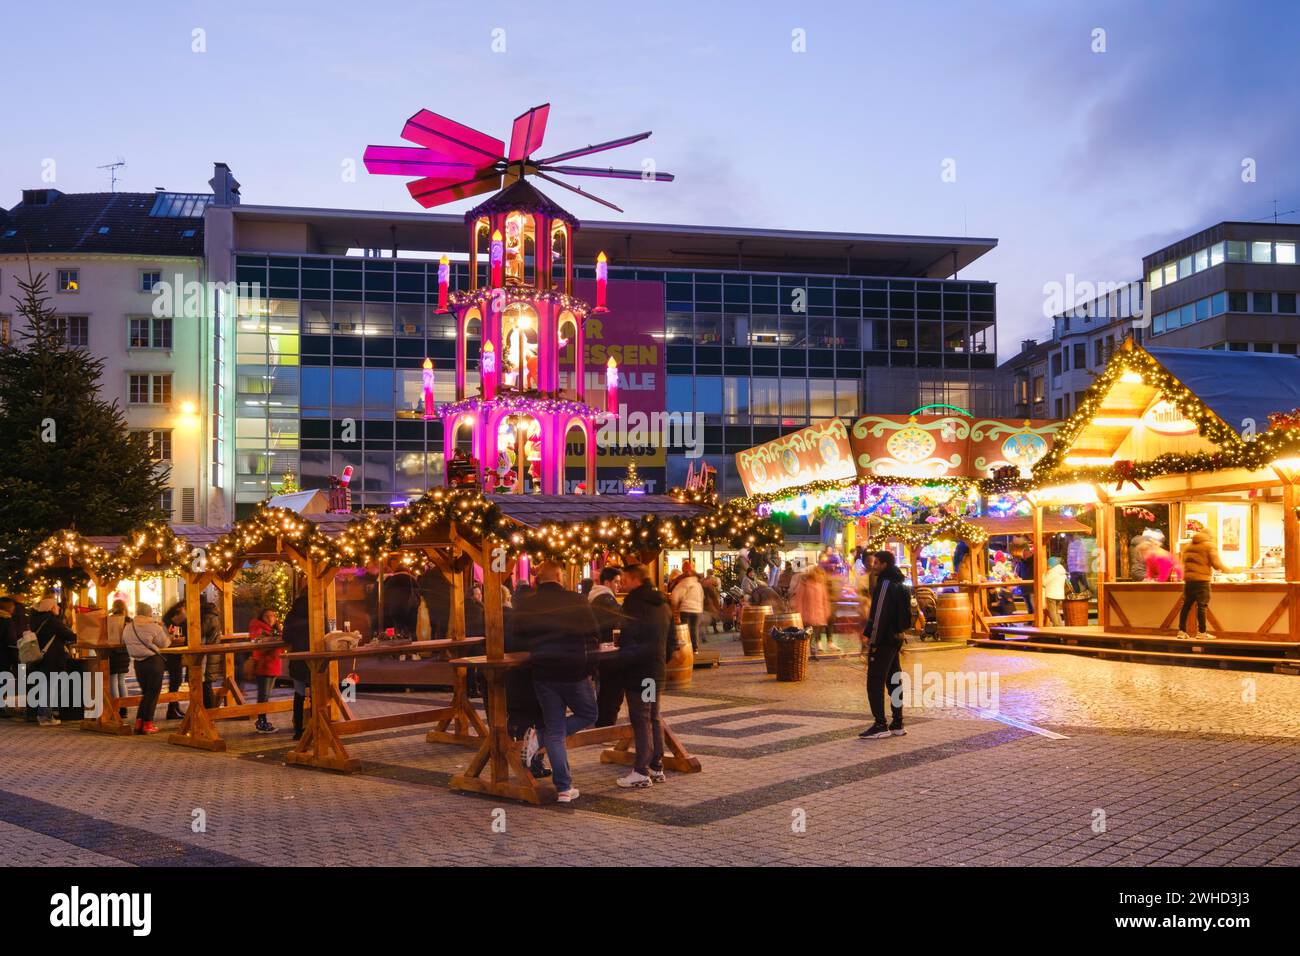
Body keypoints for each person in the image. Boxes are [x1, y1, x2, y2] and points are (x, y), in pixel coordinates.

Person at [511, 562, 599, 803]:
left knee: (556, 731)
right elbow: (593, 633)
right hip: (573, 670)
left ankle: (563, 789)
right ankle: (541, 740)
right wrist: (590, 667)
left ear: (539, 578)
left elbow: (517, 636)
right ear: (560, 576)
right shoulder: (576, 600)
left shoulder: (528, 604)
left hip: (543, 672)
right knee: (589, 713)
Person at [615, 564, 672, 789]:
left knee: (641, 719)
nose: (622, 583)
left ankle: (641, 770)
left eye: (625, 579)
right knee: (653, 717)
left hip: (640, 672)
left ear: (635, 579)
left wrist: (622, 662)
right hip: (655, 669)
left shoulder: (634, 604)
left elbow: (629, 639)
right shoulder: (662, 602)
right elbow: (672, 641)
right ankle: (656, 766)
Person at [859, 551, 911, 740]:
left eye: (876, 563)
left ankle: (880, 724)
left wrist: (872, 640)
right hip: (896, 638)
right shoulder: (901, 582)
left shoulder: (885, 584)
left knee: (874, 681)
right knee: (894, 680)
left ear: (885, 564)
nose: (873, 566)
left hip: (884, 640)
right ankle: (897, 722)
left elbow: (879, 614)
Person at [27, 597, 77, 726]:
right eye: (56, 606)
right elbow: (69, 635)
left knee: (46, 686)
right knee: (50, 687)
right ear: (51, 608)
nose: (59, 608)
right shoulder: (53, 621)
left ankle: (45, 713)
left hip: (42, 658)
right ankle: (45, 716)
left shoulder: (35, 619)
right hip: (53, 658)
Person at [123, 601, 170, 734]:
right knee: (153, 693)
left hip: (138, 664)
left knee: (146, 693)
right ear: (149, 613)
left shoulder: (128, 627)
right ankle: (147, 724)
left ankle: (139, 722)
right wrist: (164, 629)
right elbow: (165, 643)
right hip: (153, 662)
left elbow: (125, 641)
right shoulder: (153, 626)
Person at [588, 566, 625, 727]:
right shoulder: (605, 599)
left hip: (601, 652)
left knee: (604, 690)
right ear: (606, 582)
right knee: (611, 693)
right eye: (616, 582)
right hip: (608, 654)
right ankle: (604, 726)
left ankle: (602, 724)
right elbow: (619, 619)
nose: (619, 586)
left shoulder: (599, 597)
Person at [1178, 531, 1228, 640]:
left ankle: (1181, 631)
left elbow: (1183, 562)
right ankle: (1202, 632)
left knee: (1186, 606)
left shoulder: (1187, 546)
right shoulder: (1209, 545)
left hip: (1189, 580)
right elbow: (1216, 563)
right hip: (1202, 581)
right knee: (1202, 606)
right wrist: (1228, 570)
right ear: (1209, 536)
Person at [249, 608, 282, 733]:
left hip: (273, 664)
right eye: (267, 616)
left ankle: (262, 720)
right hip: (264, 665)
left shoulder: (275, 629)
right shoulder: (258, 627)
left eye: (272, 616)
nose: (270, 619)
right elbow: (257, 639)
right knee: (263, 695)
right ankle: (261, 721)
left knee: (266, 695)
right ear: (261, 617)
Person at [283, 592, 311, 740]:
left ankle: (298, 731)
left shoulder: (291, 617)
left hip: (297, 659)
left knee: (299, 694)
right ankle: (315, 726)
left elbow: (286, 637)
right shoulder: (316, 613)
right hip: (315, 660)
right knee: (316, 694)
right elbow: (327, 632)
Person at [791, 565, 833, 657]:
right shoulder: (804, 584)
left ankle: (812, 652)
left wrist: (827, 611)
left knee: (814, 635)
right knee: (807, 635)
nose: (821, 577)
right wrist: (799, 613)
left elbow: (825, 599)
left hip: (819, 615)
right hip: (807, 614)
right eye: (819, 574)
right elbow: (799, 599)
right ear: (814, 574)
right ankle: (808, 652)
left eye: (822, 575)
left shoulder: (821, 585)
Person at [160, 600, 187, 720]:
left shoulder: (169, 618)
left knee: (176, 681)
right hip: (173, 653)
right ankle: (172, 709)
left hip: (174, 653)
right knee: (175, 680)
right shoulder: (174, 620)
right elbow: (175, 635)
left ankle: (174, 707)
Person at [669, 559, 704, 650]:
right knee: (694, 629)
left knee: (685, 630)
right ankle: (695, 648)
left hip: (686, 609)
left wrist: (675, 605)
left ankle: (686, 648)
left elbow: (674, 597)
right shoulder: (697, 584)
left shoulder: (682, 583)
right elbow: (701, 596)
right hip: (697, 610)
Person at [106, 599, 132, 718]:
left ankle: (115, 708)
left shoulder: (110, 619)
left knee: (113, 681)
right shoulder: (128, 620)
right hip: (125, 653)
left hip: (113, 653)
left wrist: (108, 612)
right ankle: (124, 708)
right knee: (122, 681)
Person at [199, 599, 225, 709]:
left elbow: (199, 632)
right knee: (206, 684)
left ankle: (210, 710)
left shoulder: (208, 618)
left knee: (205, 684)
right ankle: (210, 709)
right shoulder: (214, 617)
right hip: (211, 653)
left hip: (206, 655)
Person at [1043, 556, 1067, 627]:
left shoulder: (1053, 571)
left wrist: (1043, 575)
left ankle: (1057, 626)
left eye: (1048, 564)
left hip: (1051, 594)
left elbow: (1044, 582)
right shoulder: (1062, 571)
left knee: (1052, 612)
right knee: (1056, 612)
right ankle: (1060, 626)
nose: (1048, 566)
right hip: (1059, 595)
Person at [701, 567, 724, 634]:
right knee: (713, 613)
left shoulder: (704, 580)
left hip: (705, 599)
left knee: (706, 613)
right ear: (713, 573)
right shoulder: (716, 579)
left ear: (707, 573)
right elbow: (719, 589)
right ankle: (714, 628)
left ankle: (706, 629)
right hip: (714, 598)